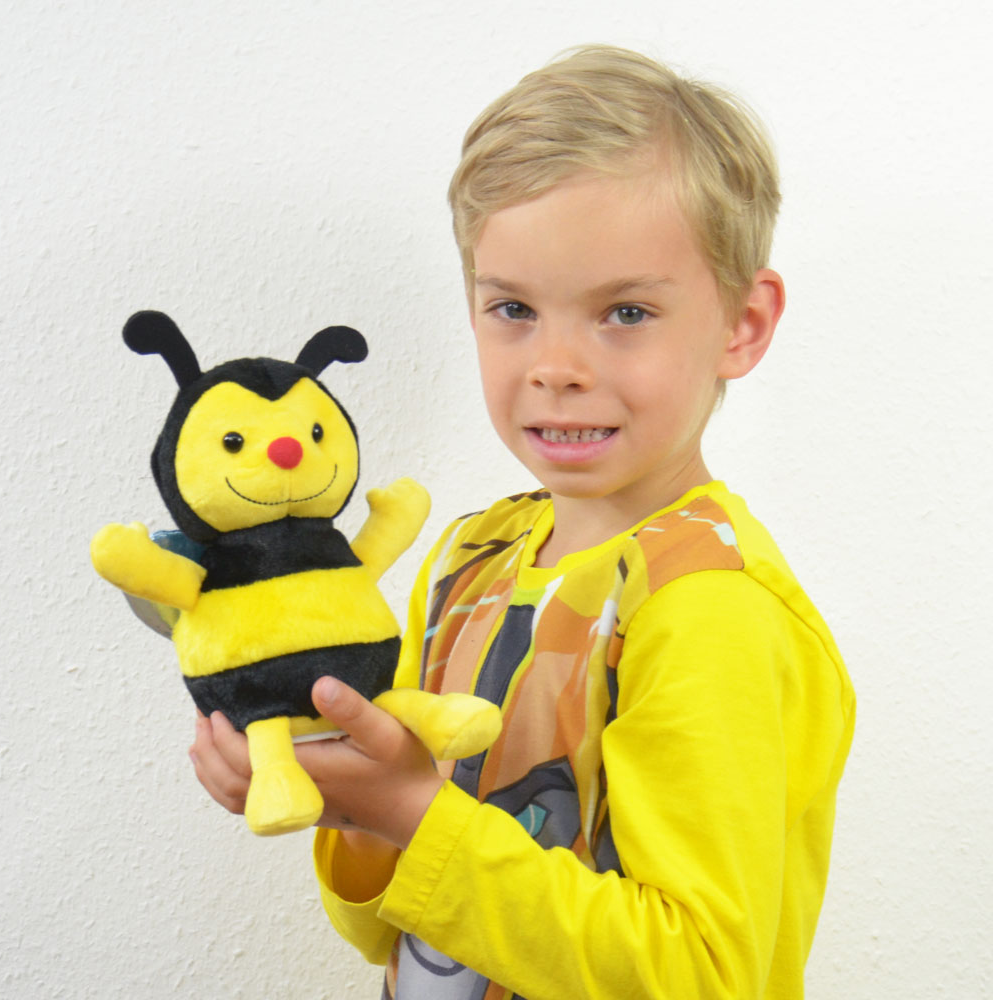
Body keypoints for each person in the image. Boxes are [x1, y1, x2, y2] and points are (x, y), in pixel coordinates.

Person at [190, 45, 856, 1000]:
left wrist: (415, 815)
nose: (555, 367)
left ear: (742, 325)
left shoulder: (711, 611)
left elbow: (703, 976)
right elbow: (392, 933)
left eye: (625, 312)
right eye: (513, 307)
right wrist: (351, 802)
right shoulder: (470, 558)